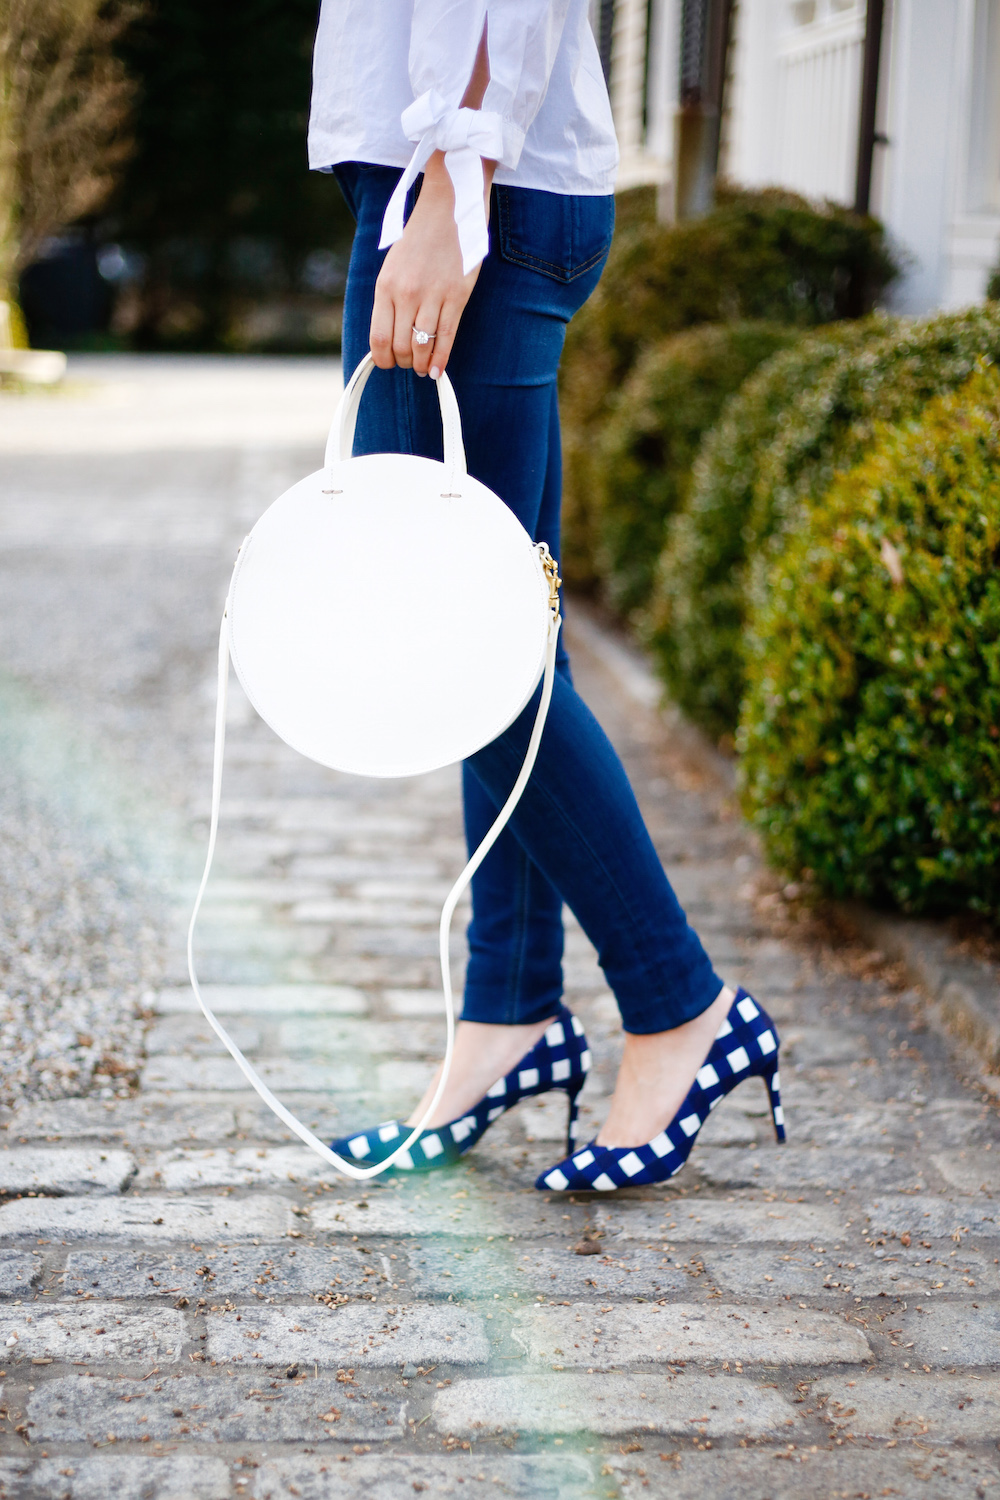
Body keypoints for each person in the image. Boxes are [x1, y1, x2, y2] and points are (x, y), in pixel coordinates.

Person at [309, 0, 784, 1192]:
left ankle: (679, 1007)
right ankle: (506, 1017)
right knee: (513, 635)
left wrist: (450, 182)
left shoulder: (456, 182)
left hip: (465, 191)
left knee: (472, 645)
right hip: (461, 180)